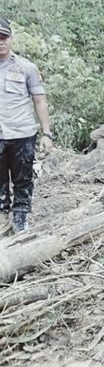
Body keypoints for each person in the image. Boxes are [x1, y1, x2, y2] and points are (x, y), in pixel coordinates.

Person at [0, 18, 53, 233]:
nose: (0, 42)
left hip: (22, 133)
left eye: (4, 37)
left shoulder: (26, 68)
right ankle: (2, 216)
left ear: (11, 39)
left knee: (23, 178)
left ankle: (21, 218)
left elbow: (39, 100)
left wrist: (46, 134)